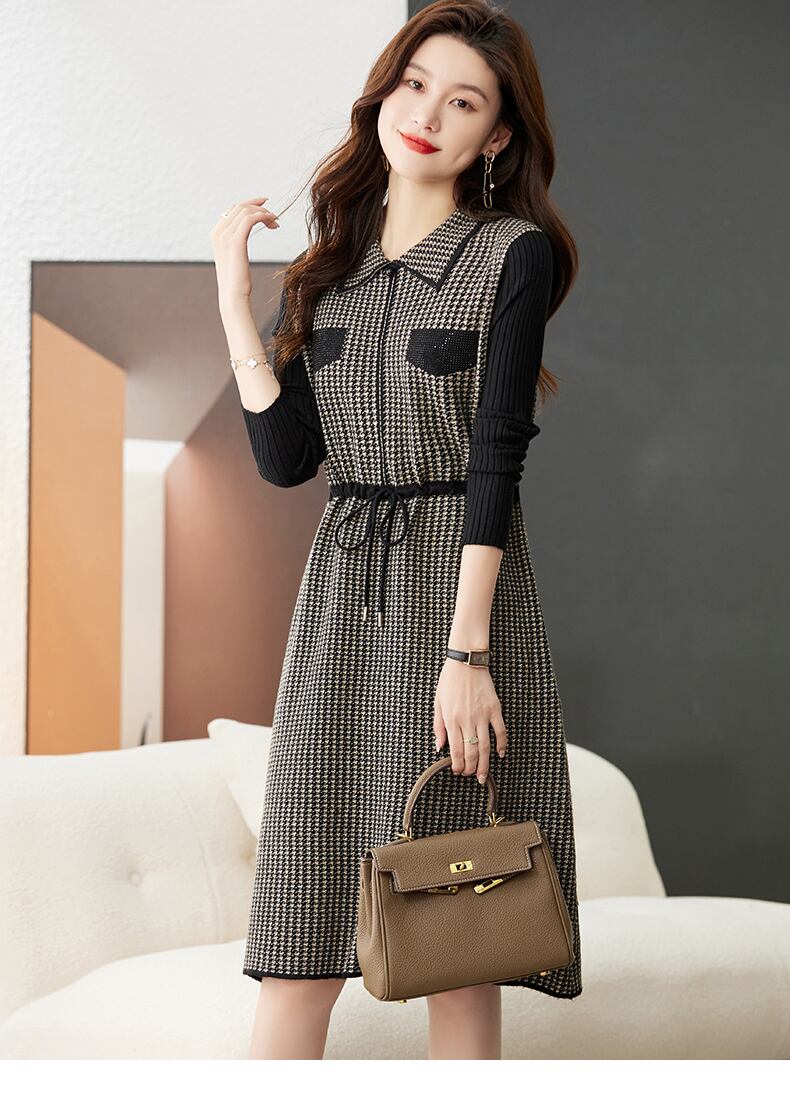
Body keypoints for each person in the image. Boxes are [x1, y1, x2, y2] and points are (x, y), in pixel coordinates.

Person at [210, 0, 582, 1061]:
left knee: (456, 947)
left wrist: (467, 658)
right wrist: (237, 302)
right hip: (339, 606)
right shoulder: (327, 270)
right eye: (415, 85)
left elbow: (495, 459)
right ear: (384, 94)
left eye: (462, 101)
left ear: (495, 137)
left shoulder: (509, 254)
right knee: (297, 947)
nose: (426, 114)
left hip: (454, 603)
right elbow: (288, 459)